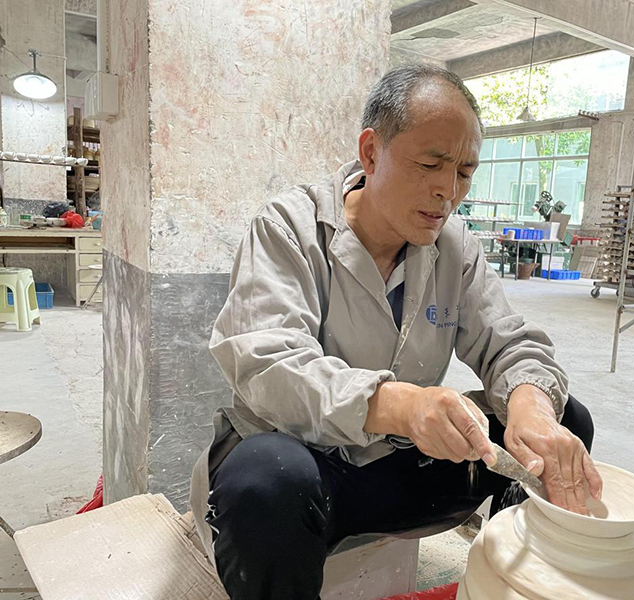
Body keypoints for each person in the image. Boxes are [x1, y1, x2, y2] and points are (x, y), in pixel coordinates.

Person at [189, 64, 602, 600]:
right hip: (311, 470)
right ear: (371, 152)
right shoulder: (288, 228)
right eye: (430, 164)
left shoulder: (454, 246)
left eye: (465, 172)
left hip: (398, 466)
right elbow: (270, 364)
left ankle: (515, 579)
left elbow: (509, 342)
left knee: (562, 423)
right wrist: (401, 405)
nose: (447, 191)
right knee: (268, 479)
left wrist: (531, 407)